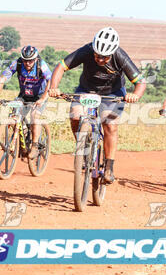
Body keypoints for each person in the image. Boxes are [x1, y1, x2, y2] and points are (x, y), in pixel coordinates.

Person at [48, 26, 146, 184]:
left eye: (104, 57)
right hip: (86, 90)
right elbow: (61, 66)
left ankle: (109, 166)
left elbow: (140, 82)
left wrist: (135, 95)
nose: (100, 59)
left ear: (112, 53)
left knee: (110, 123)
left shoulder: (120, 56)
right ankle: (83, 150)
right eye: (97, 55)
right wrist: (53, 87)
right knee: (75, 115)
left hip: (112, 94)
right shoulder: (86, 50)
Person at [0, 45, 52, 159]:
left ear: (35, 59)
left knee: (35, 116)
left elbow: (50, 81)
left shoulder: (42, 65)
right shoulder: (18, 64)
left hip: (39, 96)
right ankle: (18, 137)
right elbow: (2, 78)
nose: (28, 63)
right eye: (25, 61)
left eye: (30, 61)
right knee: (15, 113)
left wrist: (43, 98)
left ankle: (35, 146)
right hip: (24, 95)